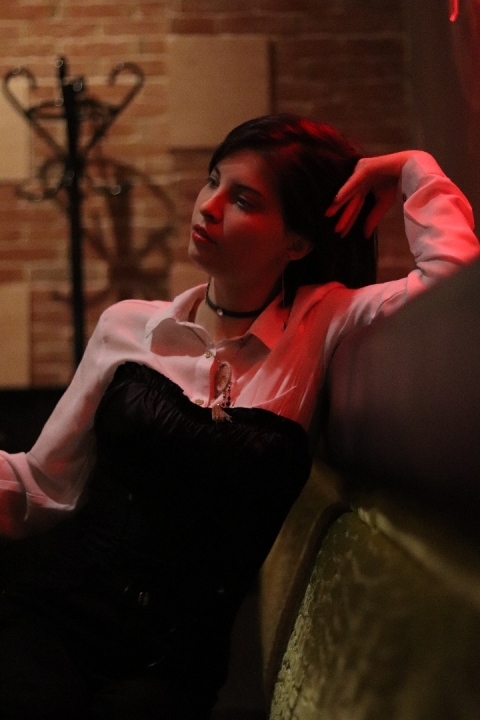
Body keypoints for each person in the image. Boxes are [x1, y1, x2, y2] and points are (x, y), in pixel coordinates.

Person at [0, 114, 478, 719]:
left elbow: (454, 293)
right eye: (213, 180)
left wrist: (413, 169)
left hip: (173, 666)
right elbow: (42, 485)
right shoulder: (128, 325)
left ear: (297, 242)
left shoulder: (324, 325)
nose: (209, 205)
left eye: (244, 199)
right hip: (52, 621)